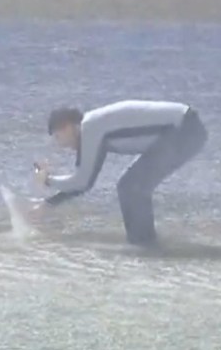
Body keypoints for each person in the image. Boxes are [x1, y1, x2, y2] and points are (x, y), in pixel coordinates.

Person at [32, 99, 208, 247]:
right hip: (187, 126)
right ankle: (144, 244)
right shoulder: (93, 128)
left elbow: (82, 180)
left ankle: (145, 247)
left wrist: (47, 180)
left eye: (58, 137)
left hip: (185, 129)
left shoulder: (90, 128)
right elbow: (85, 183)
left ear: (67, 126)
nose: (61, 145)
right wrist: (49, 204)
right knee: (129, 187)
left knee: (131, 187)